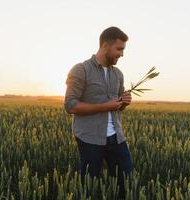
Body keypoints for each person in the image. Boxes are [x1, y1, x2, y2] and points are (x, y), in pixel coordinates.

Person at [64, 26, 133, 199]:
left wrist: (123, 103)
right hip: (89, 138)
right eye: (119, 49)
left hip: (116, 137)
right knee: (88, 188)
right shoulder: (81, 70)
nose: (122, 54)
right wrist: (106, 106)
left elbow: (116, 106)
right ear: (105, 46)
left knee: (128, 183)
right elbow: (70, 105)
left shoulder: (118, 74)